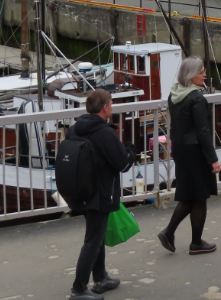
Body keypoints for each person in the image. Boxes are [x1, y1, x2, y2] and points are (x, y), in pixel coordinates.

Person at [69, 89, 136, 300]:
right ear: (105, 107)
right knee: (92, 240)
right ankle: (79, 289)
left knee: (97, 235)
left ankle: (100, 277)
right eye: (111, 103)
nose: (112, 107)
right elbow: (122, 163)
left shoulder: (76, 129)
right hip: (100, 193)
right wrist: (131, 150)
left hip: (82, 191)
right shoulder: (104, 133)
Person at [157, 56, 221, 256]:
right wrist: (213, 159)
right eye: (201, 71)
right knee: (199, 196)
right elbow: (202, 132)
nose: (204, 75)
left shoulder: (174, 94)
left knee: (189, 194)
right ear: (191, 75)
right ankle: (194, 242)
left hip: (180, 149)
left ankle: (171, 232)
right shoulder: (196, 99)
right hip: (195, 151)